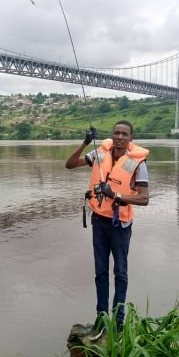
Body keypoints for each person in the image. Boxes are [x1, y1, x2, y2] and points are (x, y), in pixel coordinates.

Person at [65, 120, 149, 337]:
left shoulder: (137, 162)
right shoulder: (99, 153)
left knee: (120, 271)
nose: (120, 137)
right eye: (116, 133)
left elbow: (144, 198)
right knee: (100, 272)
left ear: (131, 138)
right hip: (99, 222)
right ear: (112, 135)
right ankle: (101, 320)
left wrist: (116, 195)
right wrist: (85, 143)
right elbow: (70, 164)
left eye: (124, 134)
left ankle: (118, 323)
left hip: (120, 224)